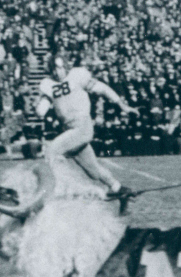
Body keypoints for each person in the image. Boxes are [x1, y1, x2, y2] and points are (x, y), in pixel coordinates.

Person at [36, 54, 137, 207]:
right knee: (93, 171)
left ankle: (59, 189)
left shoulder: (77, 75)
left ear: (66, 66)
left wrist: (122, 106)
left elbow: (103, 89)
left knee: (52, 151)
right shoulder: (48, 84)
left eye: (60, 67)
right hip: (70, 130)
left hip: (82, 127)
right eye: (54, 69)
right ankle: (119, 188)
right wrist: (40, 107)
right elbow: (43, 107)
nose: (58, 72)